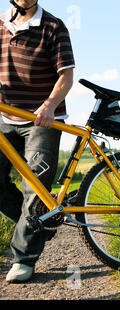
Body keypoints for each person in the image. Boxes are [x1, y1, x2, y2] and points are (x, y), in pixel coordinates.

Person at [0, 0, 75, 282]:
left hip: (42, 119)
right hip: (5, 116)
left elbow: (66, 76)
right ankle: (41, 222)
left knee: (35, 185)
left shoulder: (54, 27)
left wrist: (49, 105)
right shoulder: (1, 24)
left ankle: (24, 258)